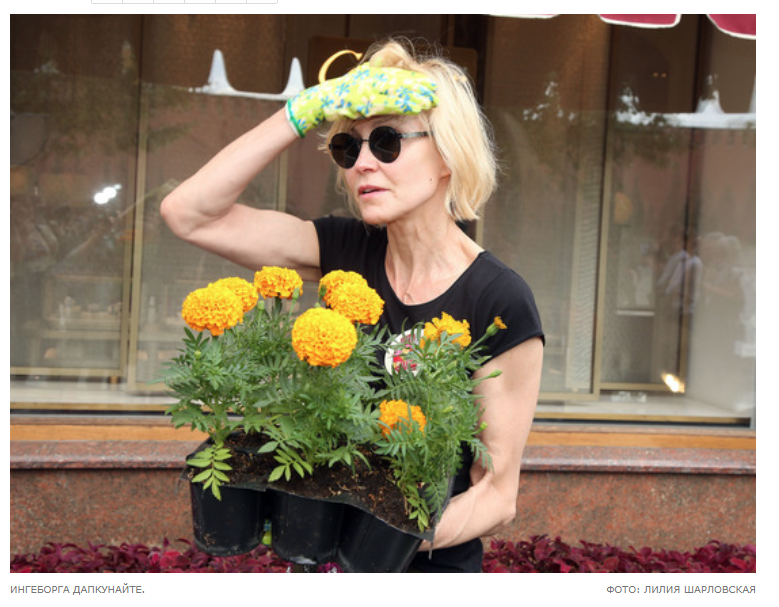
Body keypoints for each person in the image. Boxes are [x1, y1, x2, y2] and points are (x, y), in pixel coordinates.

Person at [161, 38, 544, 573]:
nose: (363, 163)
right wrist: (301, 112)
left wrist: (369, 544)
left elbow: (497, 496)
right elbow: (188, 214)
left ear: (447, 153)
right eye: (348, 147)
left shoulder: (498, 299)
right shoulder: (341, 251)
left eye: (387, 142)